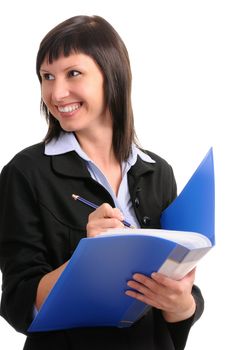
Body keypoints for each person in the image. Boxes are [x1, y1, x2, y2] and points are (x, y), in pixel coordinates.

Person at [0, 15, 204, 350]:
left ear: (112, 75)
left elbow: (178, 292)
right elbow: (19, 301)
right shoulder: (26, 172)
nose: (56, 92)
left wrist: (183, 304)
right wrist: (87, 258)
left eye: (73, 73)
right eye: (46, 77)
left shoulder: (158, 173)